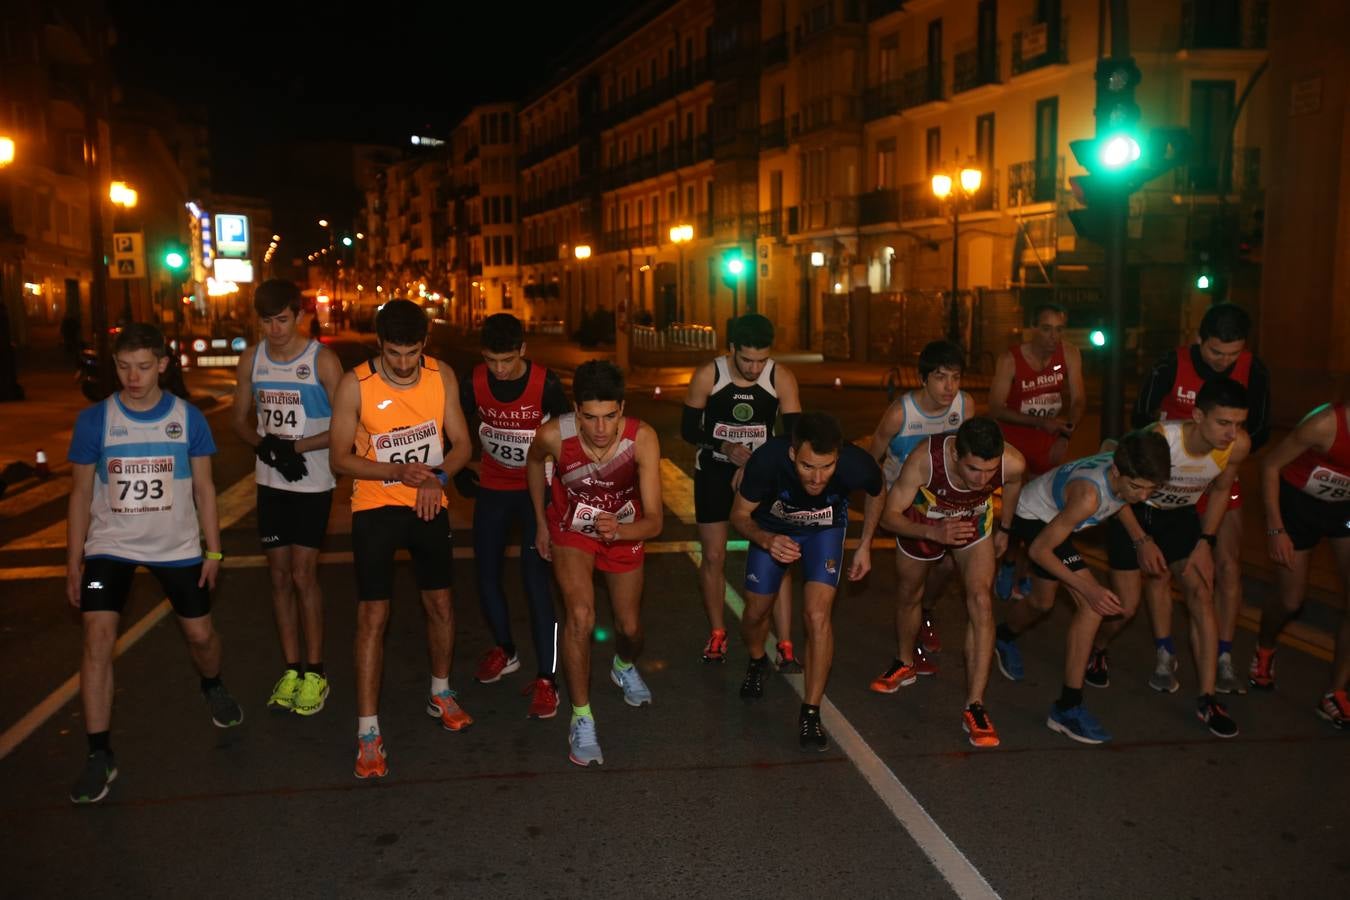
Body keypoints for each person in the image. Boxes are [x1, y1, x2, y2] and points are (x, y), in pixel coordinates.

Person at [65, 324, 240, 804]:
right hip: (110, 545)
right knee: (97, 636)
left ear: (162, 364)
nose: (132, 377)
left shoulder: (188, 419)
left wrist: (215, 551)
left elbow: (205, 489)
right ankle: (100, 753)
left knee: (201, 637)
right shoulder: (95, 421)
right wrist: (73, 560)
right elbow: (80, 494)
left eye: (143, 367)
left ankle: (213, 684)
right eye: (123, 367)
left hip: (177, 546)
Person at [329, 299, 473, 779]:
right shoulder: (356, 385)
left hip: (428, 498)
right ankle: (368, 730)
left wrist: (435, 477)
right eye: (395, 353)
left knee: (441, 604)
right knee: (373, 614)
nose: (405, 363)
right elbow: (339, 459)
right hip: (375, 503)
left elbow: (463, 444)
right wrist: (396, 470)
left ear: (424, 345)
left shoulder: (441, 375)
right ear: (379, 344)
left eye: (413, 352)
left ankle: (440, 691)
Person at [1093, 379, 1250, 738]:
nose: (1232, 433)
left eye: (1238, 424)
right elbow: (1116, 482)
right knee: (1125, 607)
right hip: (1133, 511)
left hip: (1179, 517)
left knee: (1200, 593)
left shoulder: (1236, 447)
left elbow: (1222, 489)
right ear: (1197, 415)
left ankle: (1208, 699)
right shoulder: (1163, 437)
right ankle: (1099, 648)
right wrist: (1142, 539)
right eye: (1223, 423)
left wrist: (1206, 542)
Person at [994, 430, 1172, 744]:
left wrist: (1141, 540)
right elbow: (1038, 551)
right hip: (1035, 518)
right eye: (1137, 487)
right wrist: (1088, 589)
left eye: (1151, 489)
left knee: (1041, 603)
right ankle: (1066, 708)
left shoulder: (1120, 463)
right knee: (1092, 605)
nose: (1144, 496)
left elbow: (1117, 478)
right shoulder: (1089, 497)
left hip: (1056, 514)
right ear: (1117, 472)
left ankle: (1003, 636)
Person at [526, 361, 663, 767]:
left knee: (630, 628)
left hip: (625, 529)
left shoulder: (644, 439)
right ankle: (581, 717)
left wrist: (618, 531)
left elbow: (654, 521)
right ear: (575, 410)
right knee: (581, 617)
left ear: (622, 408)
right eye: (590, 417)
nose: (601, 428)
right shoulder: (553, 435)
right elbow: (534, 465)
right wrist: (540, 522)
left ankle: (622, 666)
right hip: (572, 529)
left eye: (609, 416)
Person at [1134, 302, 1272, 693]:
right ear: (1199, 340)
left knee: (1225, 564)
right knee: (1161, 568)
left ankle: (1223, 656)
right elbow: (1141, 415)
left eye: (1233, 355)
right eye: (1215, 353)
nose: (1224, 362)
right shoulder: (1171, 364)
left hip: (1217, 477)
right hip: (1171, 479)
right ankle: (1165, 652)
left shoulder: (1254, 370)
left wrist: (1222, 449)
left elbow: (1260, 429)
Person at [731, 412, 883, 751]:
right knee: (755, 613)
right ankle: (757, 661)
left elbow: (877, 488)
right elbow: (738, 515)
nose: (817, 479)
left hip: (824, 533)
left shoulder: (856, 463)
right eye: (807, 467)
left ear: (839, 457)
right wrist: (767, 540)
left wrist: (866, 543)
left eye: (827, 467)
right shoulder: (767, 459)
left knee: (817, 616)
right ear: (791, 454)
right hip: (772, 531)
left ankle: (811, 711)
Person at [875, 418, 1026, 748]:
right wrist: (933, 532)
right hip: (922, 522)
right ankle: (904, 661)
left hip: (972, 523)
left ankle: (975, 705)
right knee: (908, 592)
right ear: (957, 454)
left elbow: (1013, 484)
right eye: (973, 470)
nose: (983, 479)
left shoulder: (1011, 462)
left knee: (981, 601)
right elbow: (889, 516)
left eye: (990, 472)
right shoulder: (924, 460)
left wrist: (1005, 529)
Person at [231, 279, 341, 716]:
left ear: (299, 316)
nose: (274, 330)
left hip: (313, 482)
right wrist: (266, 448)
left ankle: (316, 672)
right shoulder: (251, 359)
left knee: (302, 574)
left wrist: (296, 448)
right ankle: (291, 668)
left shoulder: (323, 361)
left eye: (282, 320)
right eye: (266, 322)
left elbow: (346, 428)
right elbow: (240, 420)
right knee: (278, 576)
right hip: (270, 481)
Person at [460, 313, 570, 718]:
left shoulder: (547, 383)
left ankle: (547, 679)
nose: (500, 370)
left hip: (535, 493)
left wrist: (562, 494)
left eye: (507, 360)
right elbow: (452, 428)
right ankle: (505, 650)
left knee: (535, 580)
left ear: (523, 350)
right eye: (491, 360)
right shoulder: (473, 381)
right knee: (485, 574)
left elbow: (567, 438)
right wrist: (459, 469)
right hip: (493, 487)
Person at [682, 313, 802, 668]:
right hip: (714, 473)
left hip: (762, 475)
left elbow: (794, 436)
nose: (753, 368)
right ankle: (718, 633)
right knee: (715, 556)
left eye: (761, 360)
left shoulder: (781, 377)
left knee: (777, 554)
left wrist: (755, 463)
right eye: (747, 359)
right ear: (732, 348)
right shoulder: (709, 374)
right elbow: (689, 430)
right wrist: (724, 446)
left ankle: (785, 642)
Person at [859, 340, 974, 674]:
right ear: (924, 378)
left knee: (947, 568)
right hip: (905, 499)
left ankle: (926, 609)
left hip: (947, 499)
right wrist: (874, 512)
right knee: (914, 578)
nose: (949, 386)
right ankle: (908, 652)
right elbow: (872, 460)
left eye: (955, 377)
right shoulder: (900, 413)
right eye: (941, 377)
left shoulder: (965, 406)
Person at [1250, 400, 1350, 728]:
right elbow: (1269, 466)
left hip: (1344, 511)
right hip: (1298, 505)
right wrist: (1276, 528)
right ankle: (1264, 649)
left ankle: (1334, 693)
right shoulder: (1323, 424)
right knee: (1291, 601)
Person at [988, 303, 1085, 601]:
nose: (1052, 336)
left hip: (1048, 444)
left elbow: (1079, 400)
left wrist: (1065, 434)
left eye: (1058, 329)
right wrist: (1040, 422)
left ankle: (1024, 572)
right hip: (1013, 445)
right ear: (1032, 329)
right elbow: (995, 408)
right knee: (1013, 509)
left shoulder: (1069, 354)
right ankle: (1006, 562)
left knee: (1042, 512)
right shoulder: (1011, 359)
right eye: (1045, 328)